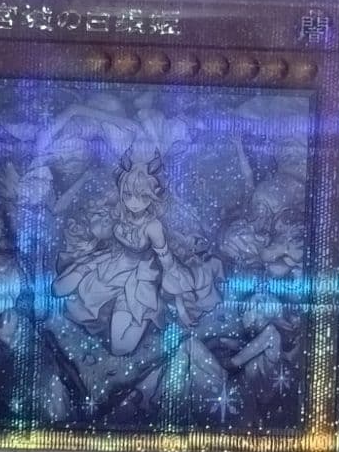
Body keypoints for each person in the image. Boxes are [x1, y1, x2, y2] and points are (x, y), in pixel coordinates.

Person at [53, 152, 222, 356]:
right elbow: (99, 229)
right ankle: (91, 285)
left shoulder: (153, 226)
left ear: (153, 195)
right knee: (59, 290)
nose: (134, 202)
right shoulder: (119, 212)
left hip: (139, 280)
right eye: (128, 195)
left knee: (120, 348)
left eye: (142, 196)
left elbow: (167, 264)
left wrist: (180, 304)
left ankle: (141, 316)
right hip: (111, 265)